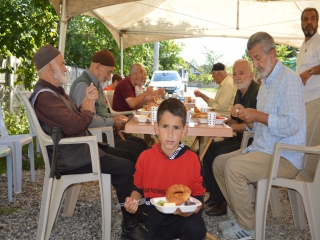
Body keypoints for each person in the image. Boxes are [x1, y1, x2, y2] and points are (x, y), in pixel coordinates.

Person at [30, 44, 146, 240]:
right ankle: (130, 227)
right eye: (62, 63)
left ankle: (136, 209)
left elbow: (73, 116)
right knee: (125, 167)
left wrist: (85, 106)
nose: (66, 68)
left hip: (80, 149)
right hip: (71, 158)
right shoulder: (44, 97)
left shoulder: (55, 91)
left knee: (129, 156)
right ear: (50, 68)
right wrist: (87, 107)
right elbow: (74, 124)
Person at [213, 32, 306, 239]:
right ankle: (241, 215)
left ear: (272, 53)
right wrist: (248, 118)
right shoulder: (266, 84)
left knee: (233, 168)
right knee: (219, 163)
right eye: (253, 59)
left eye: (258, 58)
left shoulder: (289, 80)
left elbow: (292, 125)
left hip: (284, 156)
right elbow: (261, 126)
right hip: (264, 149)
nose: (255, 65)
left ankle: (248, 227)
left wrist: (259, 115)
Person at [123, 98, 207, 240]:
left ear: (185, 130)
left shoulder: (192, 159)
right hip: (156, 222)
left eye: (176, 127)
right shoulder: (145, 157)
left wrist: (191, 210)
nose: (170, 134)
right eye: (164, 126)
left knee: (197, 227)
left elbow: (198, 197)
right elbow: (138, 188)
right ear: (156, 128)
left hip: (183, 219)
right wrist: (133, 201)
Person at [203, 59, 260, 217]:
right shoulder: (239, 92)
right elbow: (237, 119)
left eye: (241, 73)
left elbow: (254, 125)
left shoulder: (257, 92)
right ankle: (213, 195)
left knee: (219, 152)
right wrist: (227, 121)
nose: (237, 77)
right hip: (239, 138)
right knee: (209, 149)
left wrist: (233, 126)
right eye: (235, 74)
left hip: (251, 142)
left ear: (251, 75)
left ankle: (222, 201)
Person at [69, 50, 148, 161]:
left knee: (142, 143)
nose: (110, 77)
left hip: (104, 133)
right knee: (136, 149)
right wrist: (112, 121)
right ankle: (131, 177)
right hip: (96, 139)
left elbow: (100, 114)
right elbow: (88, 121)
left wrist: (116, 119)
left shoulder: (95, 84)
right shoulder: (84, 85)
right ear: (98, 66)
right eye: (108, 72)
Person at [296, 7, 320, 128]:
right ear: (301, 24)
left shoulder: (319, 41)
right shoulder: (303, 46)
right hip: (302, 101)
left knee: (308, 141)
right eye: (305, 19)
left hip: (315, 99)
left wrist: (310, 71)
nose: (309, 22)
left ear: (317, 22)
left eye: (312, 19)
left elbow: (308, 71)